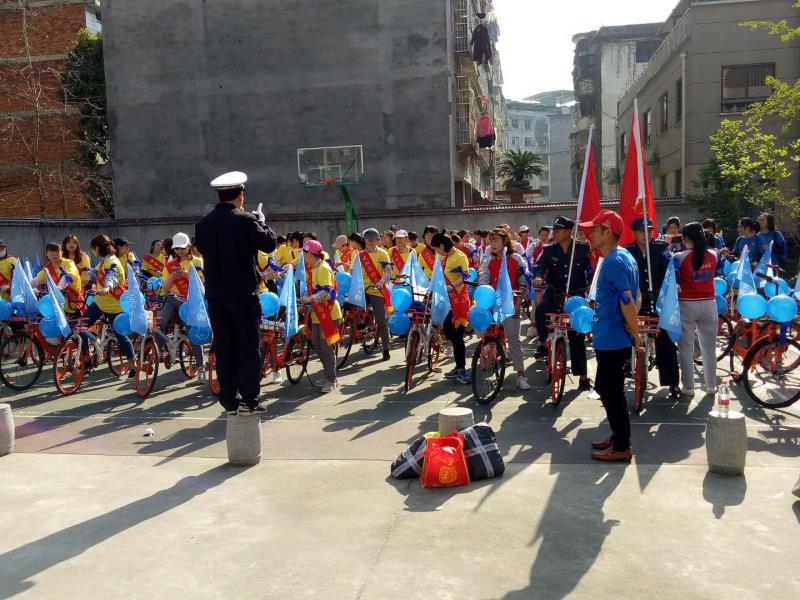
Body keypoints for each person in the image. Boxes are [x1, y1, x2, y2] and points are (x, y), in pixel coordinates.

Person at [194, 171, 276, 415]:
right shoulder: (246, 220)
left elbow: (204, 250)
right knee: (248, 347)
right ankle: (250, 399)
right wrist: (261, 222)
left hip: (216, 296)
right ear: (241, 196)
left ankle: (229, 400)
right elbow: (269, 244)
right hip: (243, 294)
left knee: (224, 347)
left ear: (218, 197)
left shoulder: (203, 224)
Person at [580, 210, 640, 462]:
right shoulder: (623, 256)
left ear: (607, 232)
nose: (590, 234)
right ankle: (617, 437)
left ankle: (622, 446)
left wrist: (635, 333)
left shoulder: (614, 261)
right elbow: (633, 297)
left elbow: (627, 300)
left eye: (594, 229)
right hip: (611, 335)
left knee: (611, 392)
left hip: (613, 339)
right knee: (607, 389)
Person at [531, 216, 592, 390]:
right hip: (554, 292)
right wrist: (538, 276)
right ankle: (542, 343)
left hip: (575, 295)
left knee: (577, 333)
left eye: (558, 230)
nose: (554, 234)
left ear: (568, 231)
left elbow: (590, 268)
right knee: (541, 310)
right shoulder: (549, 250)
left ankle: (583, 376)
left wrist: (591, 282)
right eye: (554, 230)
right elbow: (539, 266)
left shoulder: (582, 248)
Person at [624, 218, 681, 399]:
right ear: (634, 233)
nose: (646, 234)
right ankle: (626, 363)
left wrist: (675, 281)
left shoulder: (660, 247)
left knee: (665, 338)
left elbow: (669, 265)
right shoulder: (627, 250)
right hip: (635, 299)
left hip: (658, 298)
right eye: (642, 231)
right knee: (625, 328)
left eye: (649, 230)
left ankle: (672, 382)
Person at [479, 228, 530, 390]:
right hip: (493, 304)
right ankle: (491, 356)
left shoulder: (517, 259)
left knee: (514, 339)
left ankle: (521, 375)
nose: (492, 244)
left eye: (496, 241)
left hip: (512, 304)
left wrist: (518, 303)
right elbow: (483, 282)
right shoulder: (488, 261)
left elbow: (523, 280)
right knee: (483, 330)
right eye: (491, 241)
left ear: (505, 241)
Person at [674, 222, 719, 398]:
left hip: (687, 303)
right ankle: (711, 386)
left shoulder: (679, 257)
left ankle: (688, 387)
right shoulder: (714, 255)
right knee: (709, 348)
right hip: (709, 304)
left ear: (685, 238)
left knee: (685, 348)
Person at [158, 232, 206, 383]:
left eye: (182, 248)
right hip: (172, 299)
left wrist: (186, 275)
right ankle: (158, 352)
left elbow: (202, 285)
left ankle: (201, 367)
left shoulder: (197, 261)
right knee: (159, 322)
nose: (179, 251)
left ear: (189, 247)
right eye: (177, 248)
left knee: (192, 333)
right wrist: (171, 279)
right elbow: (163, 289)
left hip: (190, 301)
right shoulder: (170, 265)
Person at [86, 234, 135, 375]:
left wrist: (107, 288)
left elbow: (111, 276)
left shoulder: (112, 262)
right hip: (99, 303)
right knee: (81, 326)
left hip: (114, 307)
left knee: (120, 335)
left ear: (97, 248)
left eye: (93, 249)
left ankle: (133, 364)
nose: (92, 252)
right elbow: (95, 273)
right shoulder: (103, 261)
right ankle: (86, 359)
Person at [300, 240, 342, 393]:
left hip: (329, 313)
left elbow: (326, 292)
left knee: (326, 347)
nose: (303, 256)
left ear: (310, 254)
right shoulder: (314, 268)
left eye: (304, 253)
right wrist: (304, 299)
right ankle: (328, 373)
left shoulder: (323, 268)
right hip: (318, 314)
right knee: (317, 345)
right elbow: (312, 288)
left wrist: (310, 299)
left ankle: (331, 379)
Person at [431, 232, 471, 384]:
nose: (436, 252)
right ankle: (458, 366)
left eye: (436, 249)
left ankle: (462, 370)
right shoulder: (444, 257)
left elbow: (465, 276)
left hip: (459, 301)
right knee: (450, 333)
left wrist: (452, 286)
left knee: (457, 336)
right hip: (447, 302)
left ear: (442, 246)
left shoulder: (460, 256)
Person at [358, 228, 392, 361]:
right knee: (350, 307)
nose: (370, 241)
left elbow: (388, 270)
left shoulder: (383, 253)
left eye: (373, 239)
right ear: (364, 240)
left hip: (376, 290)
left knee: (381, 321)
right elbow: (353, 271)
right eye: (368, 239)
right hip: (362, 290)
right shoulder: (359, 255)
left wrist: (381, 281)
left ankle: (386, 348)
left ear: (378, 241)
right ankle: (362, 326)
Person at [34, 242, 84, 320]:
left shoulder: (69, 263)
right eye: (51, 252)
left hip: (73, 305)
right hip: (56, 308)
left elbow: (67, 277)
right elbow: (36, 281)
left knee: (74, 327)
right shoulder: (48, 268)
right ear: (46, 253)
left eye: (57, 251)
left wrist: (59, 288)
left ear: (62, 252)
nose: (54, 254)